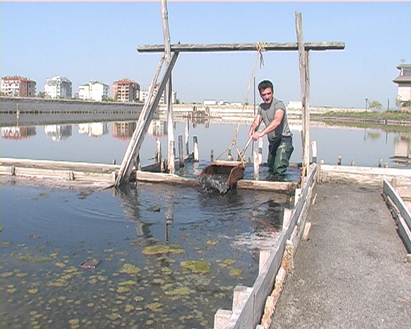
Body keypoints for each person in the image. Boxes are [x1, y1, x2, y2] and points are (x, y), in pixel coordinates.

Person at [248, 80, 294, 177]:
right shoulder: (261, 107)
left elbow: (277, 121)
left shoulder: (279, 105)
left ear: (272, 93)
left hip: (284, 140)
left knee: (278, 169)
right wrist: (253, 128)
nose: (267, 97)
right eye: (263, 95)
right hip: (273, 141)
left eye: (269, 94)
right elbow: (257, 121)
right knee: (270, 167)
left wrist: (261, 133)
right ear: (260, 95)